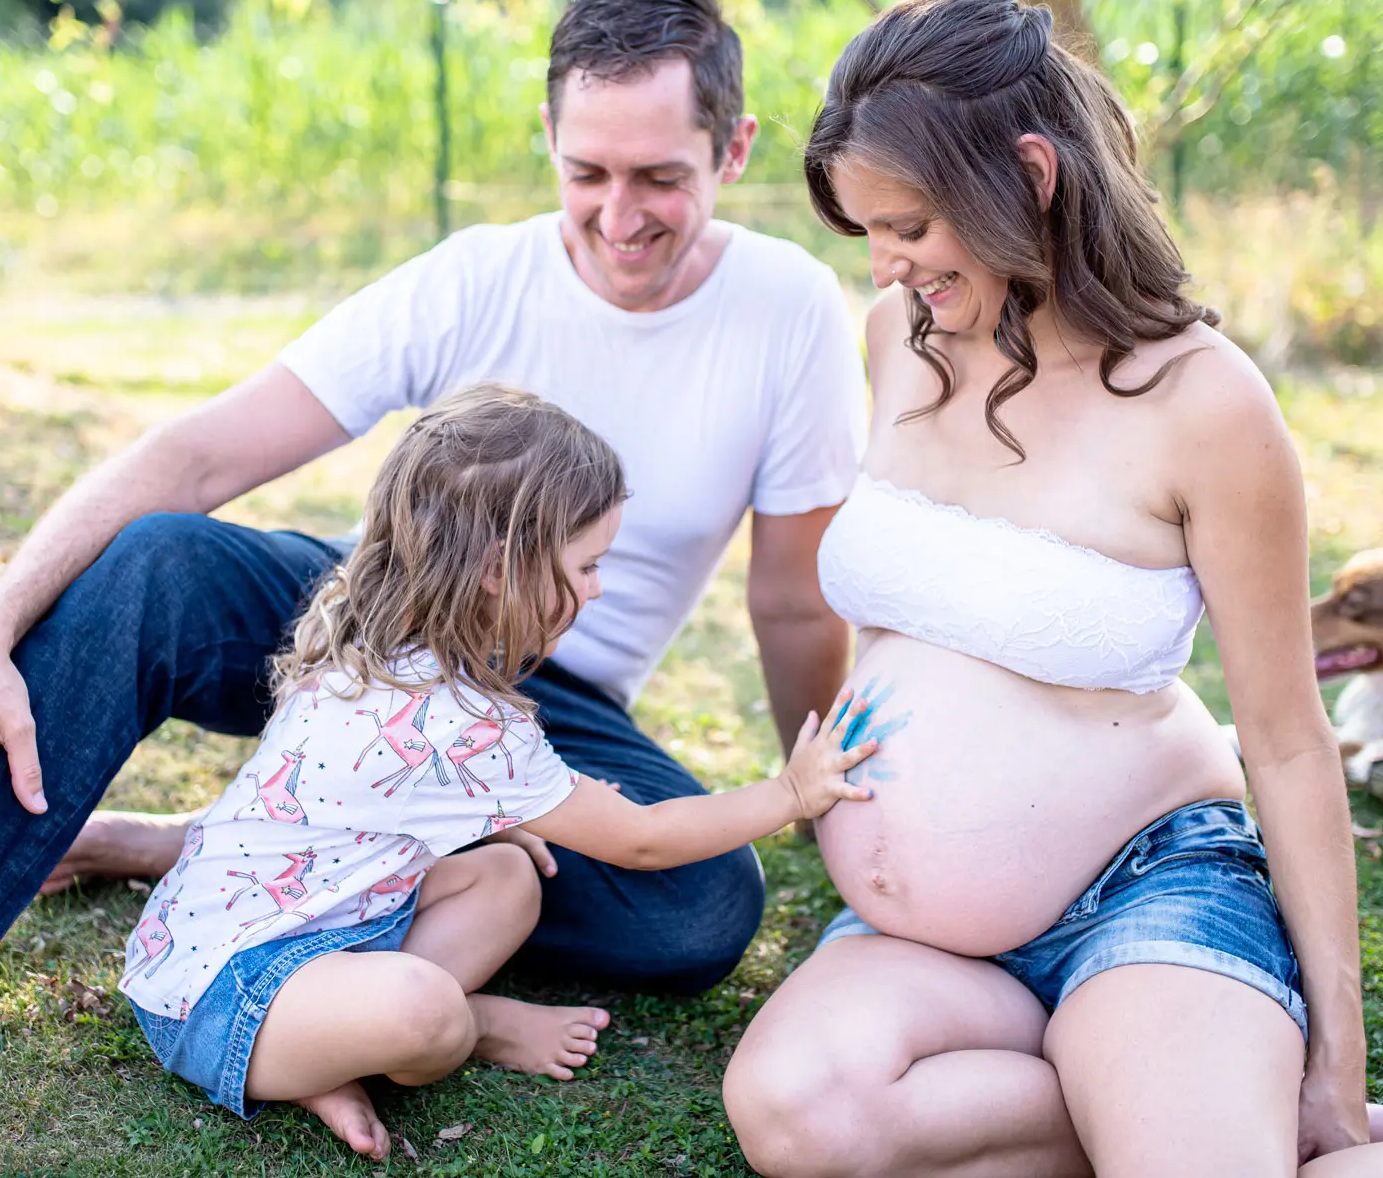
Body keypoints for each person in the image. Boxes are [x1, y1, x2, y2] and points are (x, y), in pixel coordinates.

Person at [0, 0, 864, 1165]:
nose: (616, 214)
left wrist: (820, 792)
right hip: (383, 639)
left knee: (697, 911)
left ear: (733, 150)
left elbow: (789, 592)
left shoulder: (791, 310)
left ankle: (214, 844)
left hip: (549, 694)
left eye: (659, 176)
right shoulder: (477, 278)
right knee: (160, 563)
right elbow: (192, 457)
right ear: (547, 137)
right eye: (586, 169)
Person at [717, 0, 1383, 1178]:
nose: (883, 264)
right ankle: (1150, 1097)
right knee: (796, 1116)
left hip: (1146, 894)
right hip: (927, 944)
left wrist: (1333, 1076)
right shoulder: (899, 332)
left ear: (1029, 173)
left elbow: (1290, 745)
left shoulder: (1205, 402)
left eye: (908, 225)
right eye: (864, 232)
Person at [127, 384, 875, 1161]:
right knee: (427, 1013)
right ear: (497, 569)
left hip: (300, 927)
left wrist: (513, 815)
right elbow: (643, 840)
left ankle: (327, 1045)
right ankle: (455, 1026)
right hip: (217, 990)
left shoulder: (367, 626)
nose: (598, 587)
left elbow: (391, 787)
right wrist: (791, 792)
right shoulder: (469, 723)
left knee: (510, 875)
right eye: (586, 565)